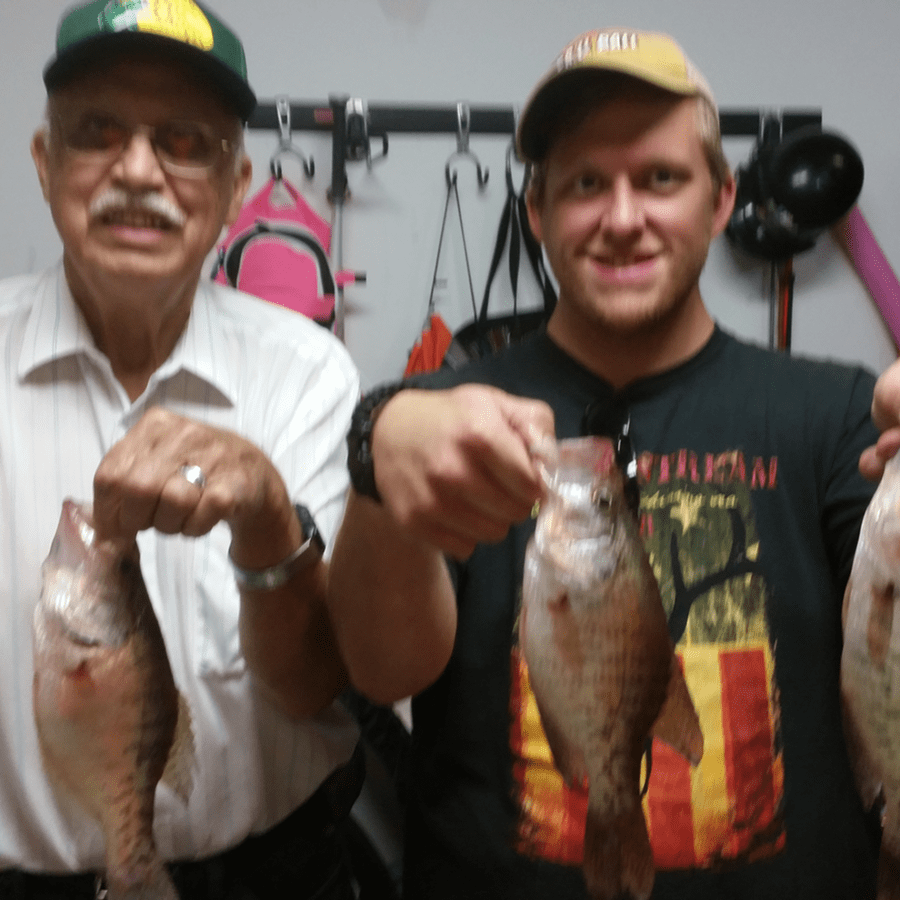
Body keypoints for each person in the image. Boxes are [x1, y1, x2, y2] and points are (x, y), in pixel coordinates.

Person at [328, 27, 894, 900]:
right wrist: (376, 454)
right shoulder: (444, 421)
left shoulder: (836, 414)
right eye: (586, 183)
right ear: (537, 211)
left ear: (721, 199)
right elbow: (383, 672)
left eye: (660, 179)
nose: (623, 219)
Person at [1, 2, 363, 898]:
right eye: (98, 132)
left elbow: (315, 686)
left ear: (236, 188)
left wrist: (270, 520)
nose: (137, 171)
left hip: (274, 875)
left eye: (183, 141)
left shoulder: (307, 372)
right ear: (45, 163)